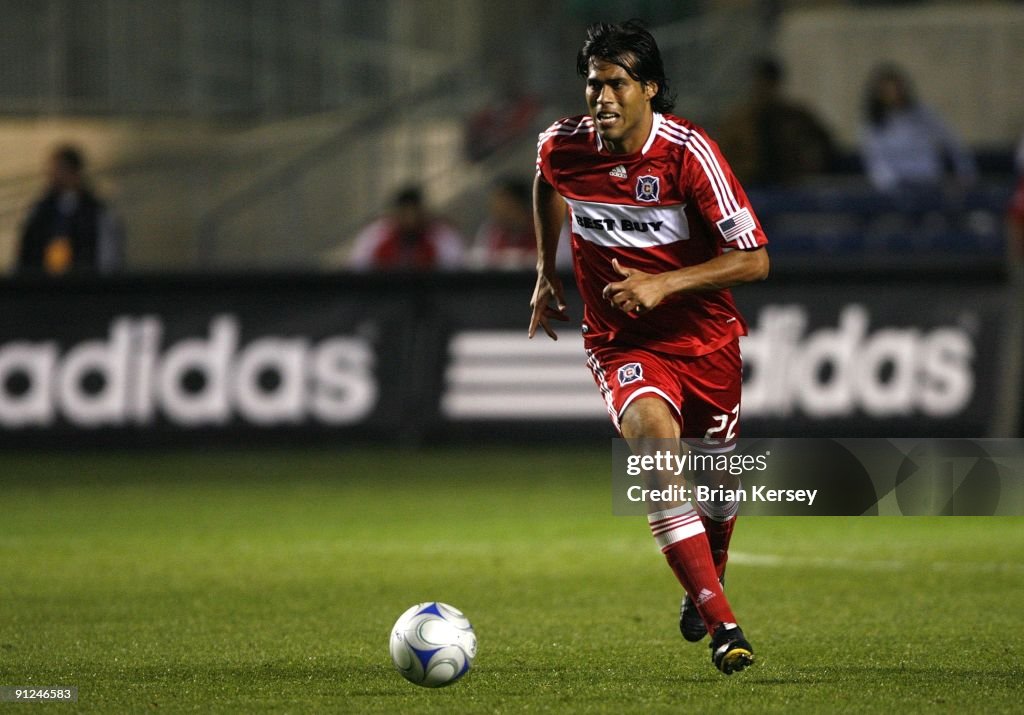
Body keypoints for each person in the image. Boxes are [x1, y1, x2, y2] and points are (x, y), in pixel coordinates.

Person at [529, 20, 769, 675]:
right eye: (593, 83)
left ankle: (703, 583)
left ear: (650, 89)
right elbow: (549, 181)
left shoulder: (690, 153)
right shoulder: (564, 145)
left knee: (721, 490)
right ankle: (725, 625)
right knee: (657, 453)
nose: (601, 97)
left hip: (706, 341)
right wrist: (546, 273)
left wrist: (667, 282)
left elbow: (753, 260)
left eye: (616, 83)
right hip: (621, 343)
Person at [716, 57, 836, 186]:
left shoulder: (794, 117)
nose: (763, 90)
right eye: (760, 84)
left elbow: (825, 145)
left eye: (768, 84)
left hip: (789, 186)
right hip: (750, 186)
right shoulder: (737, 122)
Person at [859, 64, 977, 194]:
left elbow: (952, 142)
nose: (894, 95)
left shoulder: (923, 114)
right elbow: (876, 161)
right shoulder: (873, 123)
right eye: (887, 91)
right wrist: (892, 186)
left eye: (897, 89)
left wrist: (965, 172)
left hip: (929, 182)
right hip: (895, 188)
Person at [17, 144, 124, 276]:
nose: (52, 175)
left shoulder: (94, 211)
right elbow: (27, 251)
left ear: (73, 172)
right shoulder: (42, 210)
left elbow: (107, 257)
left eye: (58, 169)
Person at [347, 186, 464, 271]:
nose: (410, 220)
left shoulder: (442, 234)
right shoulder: (374, 235)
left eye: (415, 214)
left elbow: (455, 271)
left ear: (423, 213)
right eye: (404, 214)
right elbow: (358, 269)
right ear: (395, 214)